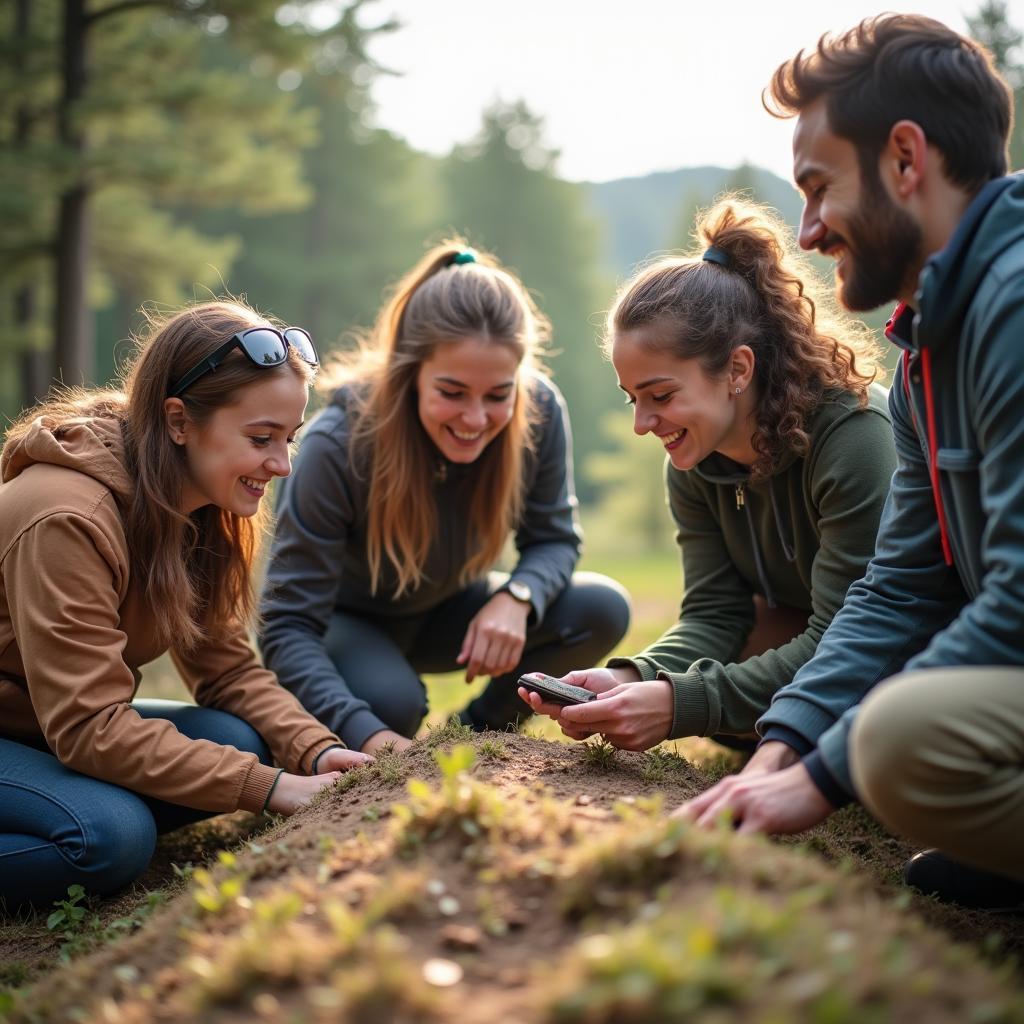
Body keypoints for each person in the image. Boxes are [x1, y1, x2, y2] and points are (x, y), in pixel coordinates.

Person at [680, 14, 1024, 911]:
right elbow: (902, 586)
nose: (806, 232)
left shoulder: (1015, 309)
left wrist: (819, 777)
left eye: (819, 187)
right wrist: (778, 752)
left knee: (896, 740)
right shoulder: (926, 353)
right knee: (887, 734)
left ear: (906, 160)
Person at [0, 301, 370, 912]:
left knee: (237, 738)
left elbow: (225, 672)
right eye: (261, 439)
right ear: (178, 420)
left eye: (289, 438)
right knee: (109, 837)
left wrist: (316, 750)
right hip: (49, 728)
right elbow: (89, 727)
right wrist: (272, 787)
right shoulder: (67, 517)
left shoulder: (199, 503)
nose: (281, 465)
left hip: (40, 725)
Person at [520, 197, 895, 752]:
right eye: (632, 400)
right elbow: (715, 612)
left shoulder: (853, 439)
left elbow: (852, 638)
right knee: (736, 650)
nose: (643, 424)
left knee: (737, 677)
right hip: (829, 643)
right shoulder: (695, 461)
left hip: (906, 650)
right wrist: (634, 679)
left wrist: (681, 702)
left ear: (738, 369)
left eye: (661, 396)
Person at [258, 242, 631, 754]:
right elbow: (287, 626)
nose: (476, 419)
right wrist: (369, 734)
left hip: (450, 612)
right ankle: (378, 722)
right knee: (391, 705)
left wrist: (516, 598)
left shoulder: (540, 409)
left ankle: (477, 736)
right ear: (410, 374)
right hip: (346, 624)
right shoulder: (336, 446)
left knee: (600, 608)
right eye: (452, 393)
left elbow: (554, 540)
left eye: (499, 394)